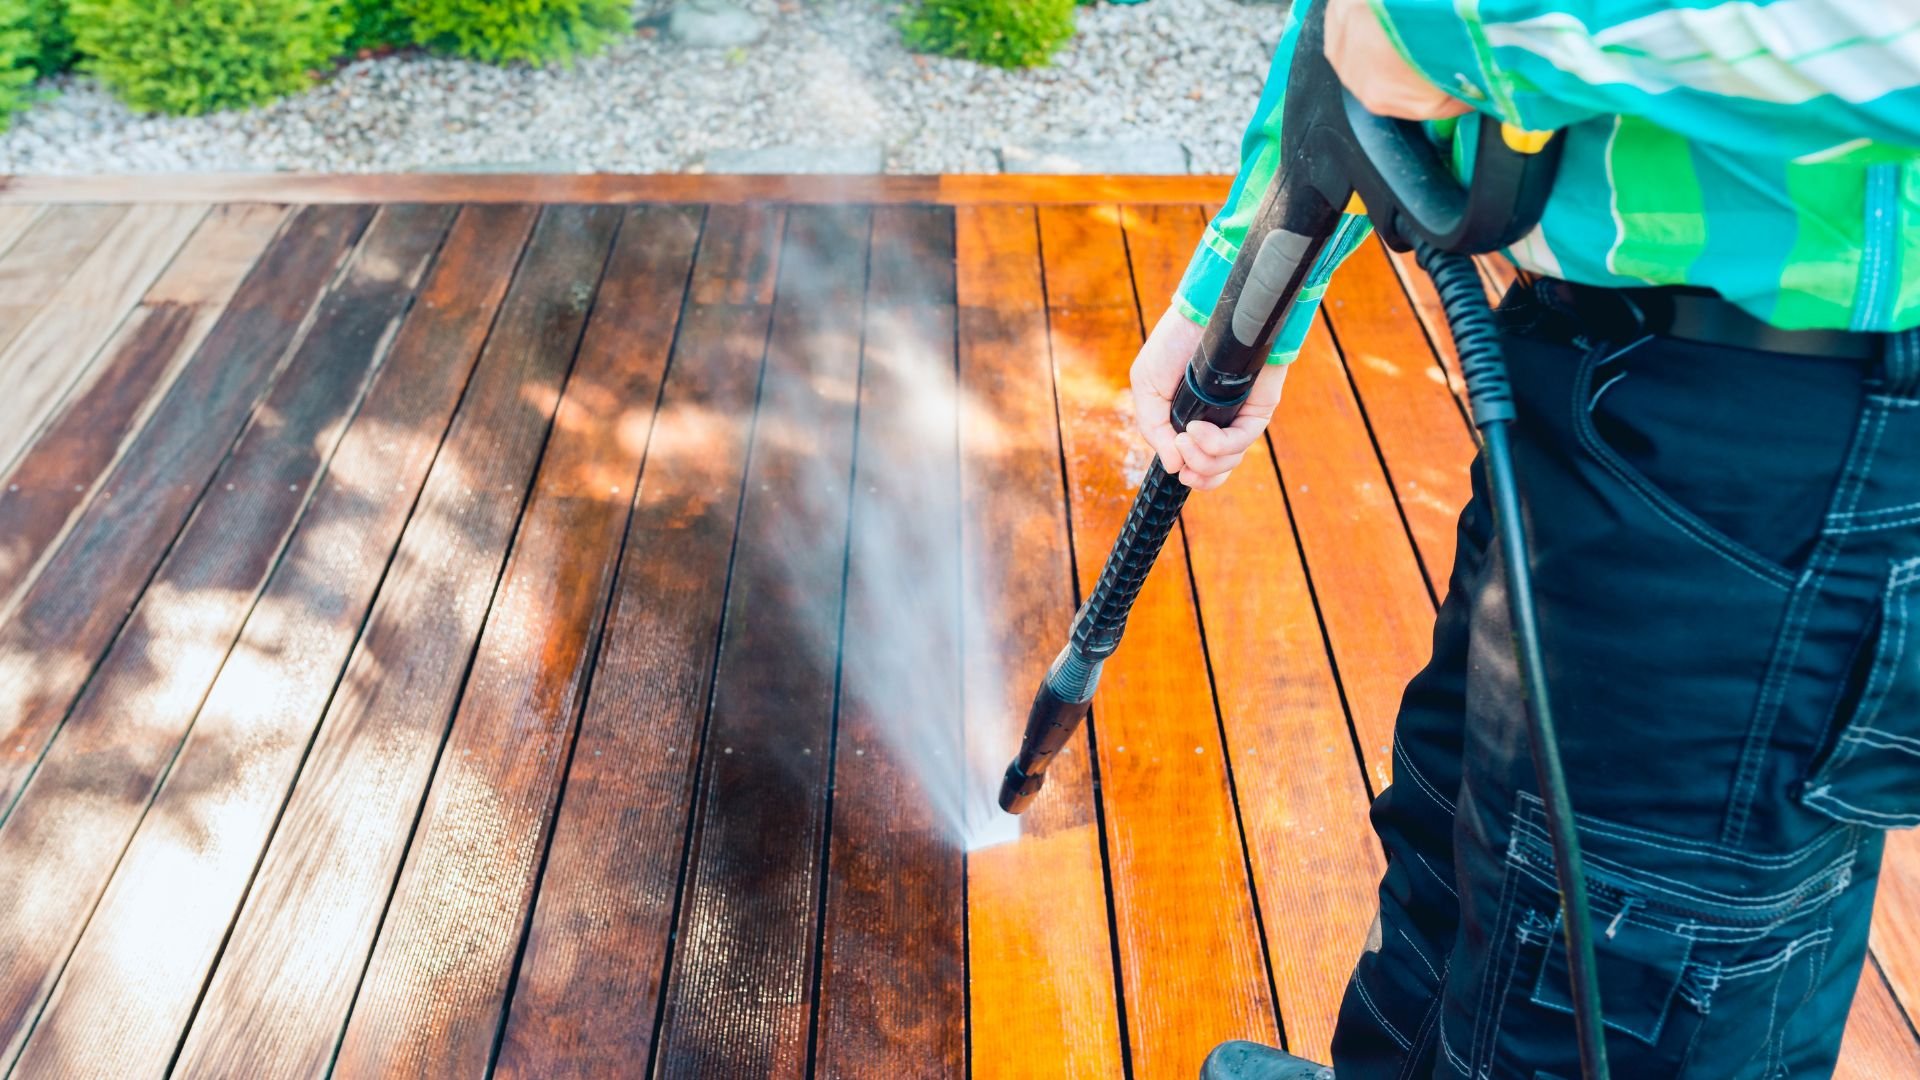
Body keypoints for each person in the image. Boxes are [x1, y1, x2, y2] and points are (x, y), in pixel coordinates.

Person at [1131, 1, 1920, 1077]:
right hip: (1593, 357)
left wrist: (1461, 30)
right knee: (1465, 842)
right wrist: (1248, 280)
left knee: (1622, 952)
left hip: (1799, 431)